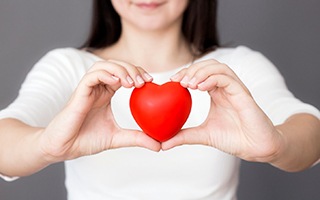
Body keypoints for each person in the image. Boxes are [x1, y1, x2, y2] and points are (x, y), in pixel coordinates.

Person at [1, 0, 320, 199]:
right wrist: (46, 145)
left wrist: (276, 144)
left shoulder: (233, 69)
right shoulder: (71, 68)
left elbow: (311, 132)